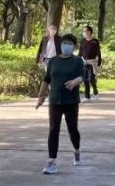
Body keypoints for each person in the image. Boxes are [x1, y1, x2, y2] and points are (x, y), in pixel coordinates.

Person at [35, 33, 85, 174]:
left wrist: (74, 82)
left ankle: (77, 151)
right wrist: (41, 96)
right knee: (53, 129)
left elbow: (83, 76)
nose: (66, 46)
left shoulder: (77, 61)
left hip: (71, 101)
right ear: (60, 45)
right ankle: (52, 162)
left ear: (74, 47)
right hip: (55, 100)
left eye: (70, 44)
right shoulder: (53, 61)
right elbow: (46, 79)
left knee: (72, 129)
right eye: (64, 43)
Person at [79, 24, 103, 100]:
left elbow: (98, 53)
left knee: (91, 79)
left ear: (89, 32)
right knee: (85, 80)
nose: (83, 32)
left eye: (84, 31)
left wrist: (99, 63)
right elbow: (80, 53)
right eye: (83, 31)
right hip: (84, 63)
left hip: (92, 63)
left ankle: (95, 93)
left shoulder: (95, 41)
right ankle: (87, 96)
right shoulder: (82, 41)